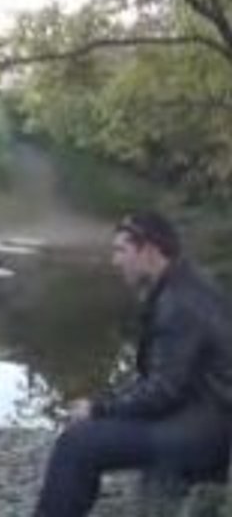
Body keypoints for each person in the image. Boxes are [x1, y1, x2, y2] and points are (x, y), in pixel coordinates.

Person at [34, 211, 232, 516]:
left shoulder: (179, 305)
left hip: (204, 433)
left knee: (77, 445)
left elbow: (162, 392)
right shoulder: (186, 284)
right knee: (89, 434)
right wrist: (106, 406)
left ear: (149, 250)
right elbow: (163, 381)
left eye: (121, 251)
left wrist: (99, 409)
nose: (115, 261)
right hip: (202, 417)